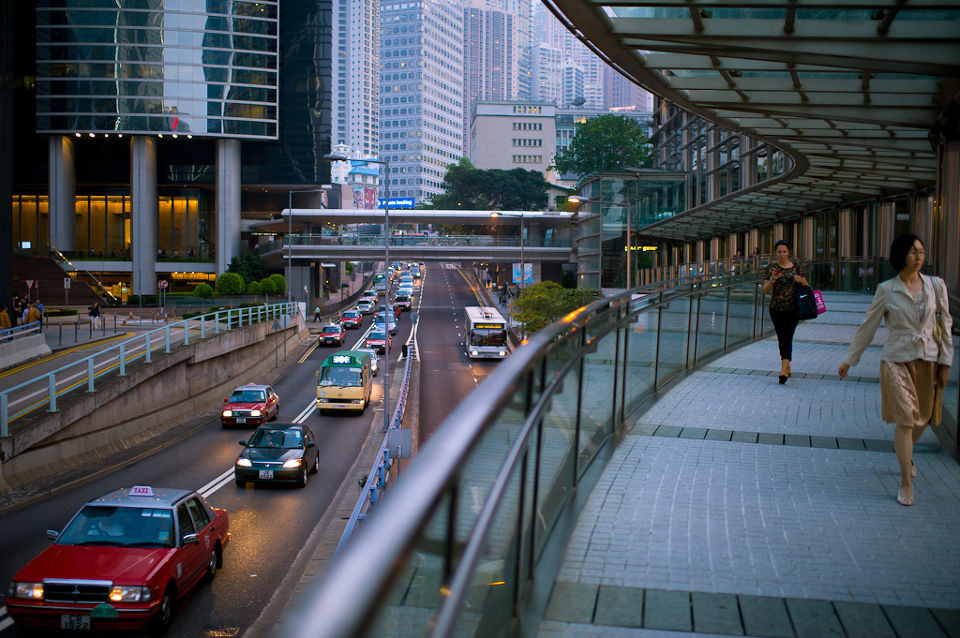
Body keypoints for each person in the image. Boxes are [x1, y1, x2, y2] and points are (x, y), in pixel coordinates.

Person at [838, 234, 952, 507]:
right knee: (905, 419)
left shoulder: (936, 286)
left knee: (922, 419)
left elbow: (945, 325)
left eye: (921, 252)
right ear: (901, 255)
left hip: (928, 359)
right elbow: (868, 326)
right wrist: (849, 360)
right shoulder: (887, 290)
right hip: (896, 360)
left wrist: (946, 362)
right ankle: (905, 482)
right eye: (913, 252)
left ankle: (906, 452)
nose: (919, 256)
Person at [762, 240, 809, 384]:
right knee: (782, 337)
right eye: (779, 252)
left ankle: (784, 368)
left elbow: (807, 285)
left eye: (784, 251)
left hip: (793, 308)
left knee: (787, 336)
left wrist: (800, 280)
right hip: (776, 308)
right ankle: (786, 366)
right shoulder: (771, 268)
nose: (782, 254)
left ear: (789, 252)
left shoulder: (797, 267)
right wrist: (773, 280)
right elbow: (765, 291)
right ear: (775, 253)